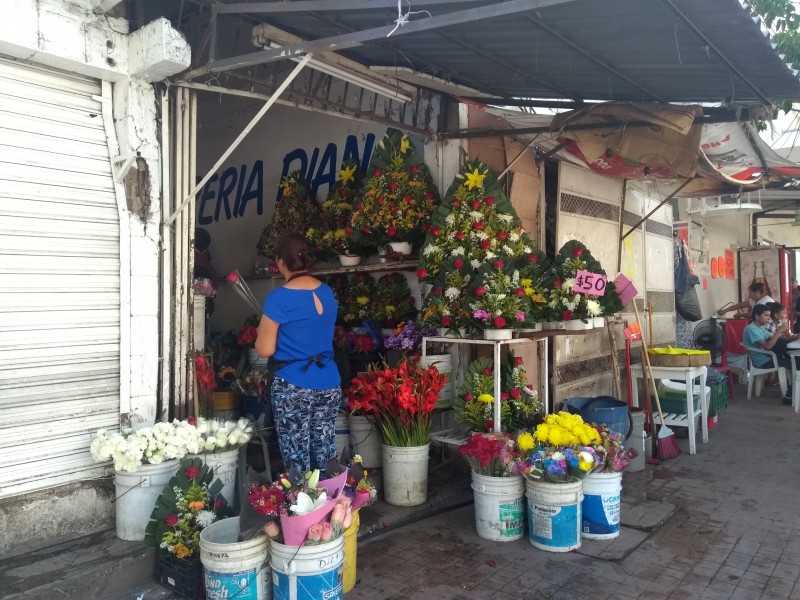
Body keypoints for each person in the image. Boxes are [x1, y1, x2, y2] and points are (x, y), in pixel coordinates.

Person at [254, 233, 342, 474]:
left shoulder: (279, 298)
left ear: (280, 262)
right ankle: (334, 506)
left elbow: (265, 349)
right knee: (325, 451)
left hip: (294, 385)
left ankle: (302, 508)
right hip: (329, 382)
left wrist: (261, 331)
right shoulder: (327, 292)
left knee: (296, 458)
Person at [742, 304, 792, 403]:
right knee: (794, 363)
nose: (769, 318)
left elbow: (774, 339)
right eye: (766, 315)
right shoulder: (751, 329)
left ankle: (791, 391)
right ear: (756, 316)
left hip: (767, 357)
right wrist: (779, 331)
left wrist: (793, 337)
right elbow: (768, 346)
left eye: (769, 315)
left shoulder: (760, 327)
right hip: (762, 361)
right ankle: (789, 395)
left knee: (789, 354)